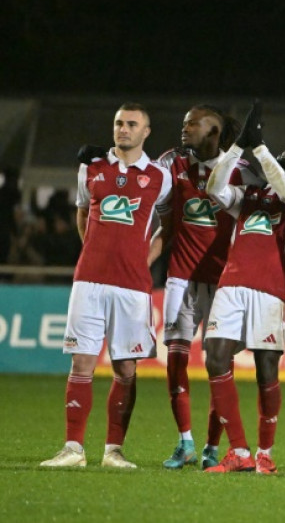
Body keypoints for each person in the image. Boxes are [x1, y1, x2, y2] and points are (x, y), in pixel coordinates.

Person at [41, 103, 172, 468]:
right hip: (89, 281)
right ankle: (73, 449)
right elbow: (83, 212)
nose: (123, 129)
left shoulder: (160, 176)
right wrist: (95, 251)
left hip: (132, 286)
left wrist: (144, 259)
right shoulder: (91, 167)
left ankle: (113, 450)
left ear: (146, 131)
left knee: (126, 369)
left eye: (131, 124)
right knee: (81, 362)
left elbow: (168, 227)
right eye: (118, 123)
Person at [201, 100, 285, 474]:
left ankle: (265, 452)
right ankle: (239, 451)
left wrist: (259, 147)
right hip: (231, 285)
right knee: (215, 358)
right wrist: (236, 147)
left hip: (270, 290)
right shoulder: (248, 197)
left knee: (266, 371)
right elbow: (214, 187)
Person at [156, 104, 246, 470]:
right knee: (176, 359)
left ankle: (212, 447)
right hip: (182, 278)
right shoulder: (172, 162)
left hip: (224, 283)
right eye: (184, 122)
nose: (185, 128)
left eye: (193, 123)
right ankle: (185, 442)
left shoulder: (240, 170)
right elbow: (144, 178)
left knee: (219, 364)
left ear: (214, 132)